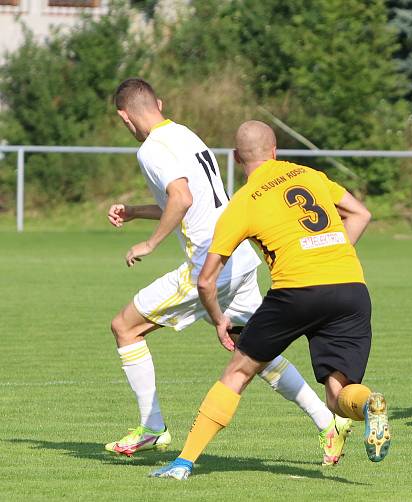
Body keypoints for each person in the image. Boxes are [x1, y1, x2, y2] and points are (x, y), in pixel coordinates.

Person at [105, 79, 336, 463]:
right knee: (254, 351)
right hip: (240, 255)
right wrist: (135, 211)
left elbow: (182, 198)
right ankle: (328, 422)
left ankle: (152, 427)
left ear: (124, 117)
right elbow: (194, 202)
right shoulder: (185, 135)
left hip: (209, 266)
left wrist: (149, 242)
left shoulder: (150, 149)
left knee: (124, 327)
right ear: (159, 103)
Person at [149, 120, 391, 480]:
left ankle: (184, 462)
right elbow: (361, 213)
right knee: (338, 397)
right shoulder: (310, 175)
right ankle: (368, 403)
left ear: (235, 158)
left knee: (238, 371)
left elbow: (206, 280)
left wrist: (218, 319)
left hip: (296, 292)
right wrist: (329, 255)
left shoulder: (243, 202)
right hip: (351, 288)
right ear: (275, 150)